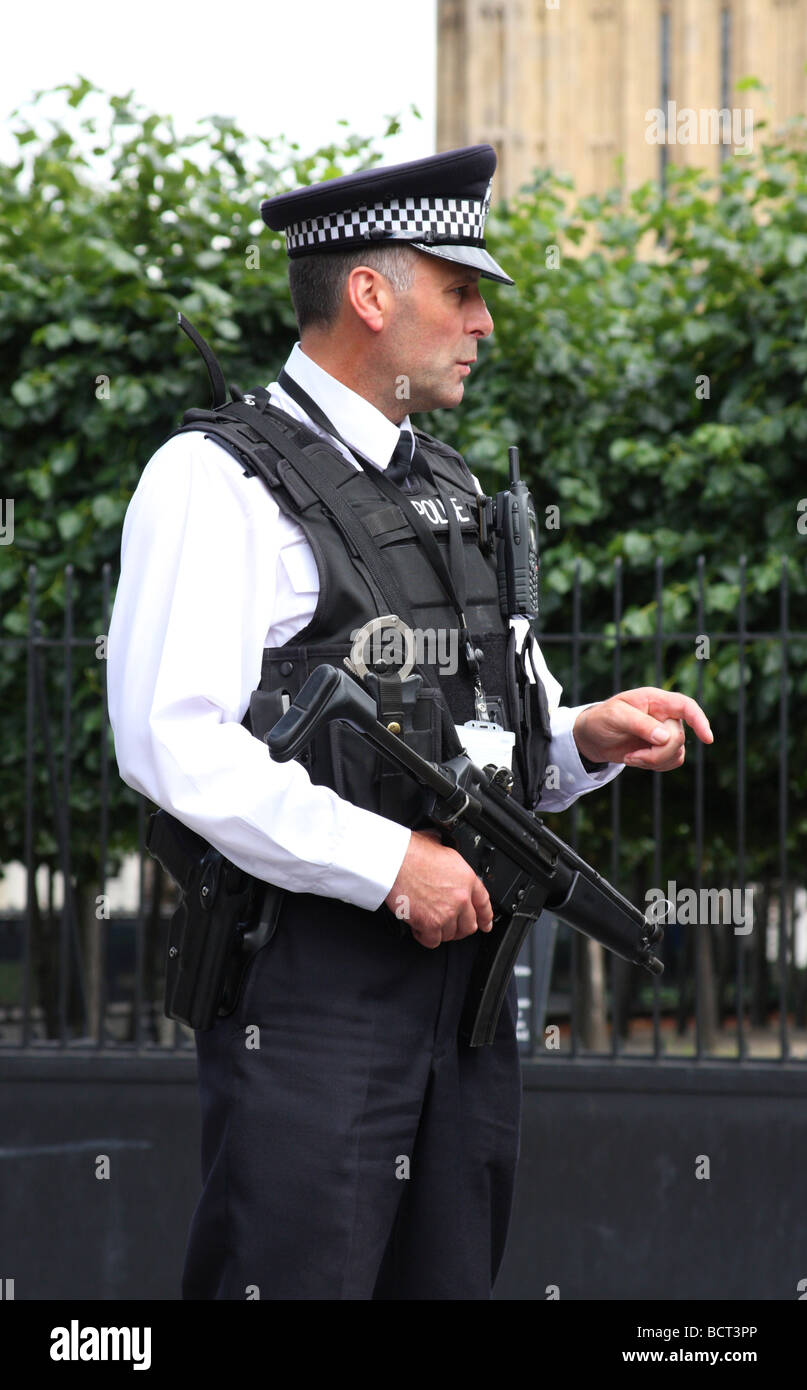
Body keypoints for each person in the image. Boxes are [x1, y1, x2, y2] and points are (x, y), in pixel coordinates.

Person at [107, 144, 712, 1300]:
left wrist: (580, 735)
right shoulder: (215, 480)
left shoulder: (449, 486)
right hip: (313, 1003)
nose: (482, 324)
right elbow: (170, 739)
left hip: (465, 1006)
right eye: (462, 290)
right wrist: (391, 864)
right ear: (372, 295)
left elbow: (490, 735)